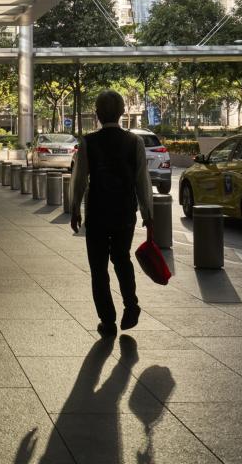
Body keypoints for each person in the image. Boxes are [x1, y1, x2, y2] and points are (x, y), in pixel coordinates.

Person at [70, 90, 153, 337]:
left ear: (97, 114)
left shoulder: (88, 142)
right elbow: (142, 181)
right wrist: (148, 215)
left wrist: (75, 208)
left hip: (96, 212)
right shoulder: (134, 142)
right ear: (122, 113)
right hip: (124, 212)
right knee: (122, 259)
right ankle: (131, 305)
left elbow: (79, 179)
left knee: (98, 269)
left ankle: (108, 321)